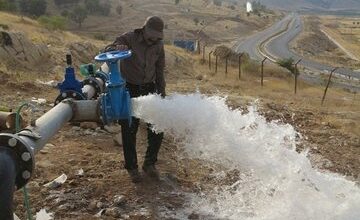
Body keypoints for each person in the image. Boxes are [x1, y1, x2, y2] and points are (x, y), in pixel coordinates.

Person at [107, 16, 166, 182]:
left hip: (149, 88)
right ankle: (132, 168)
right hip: (129, 89)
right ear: (145, 28)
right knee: (129, 129)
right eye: (152, 34)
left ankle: (149, 164)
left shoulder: (159, 45)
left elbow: (160, 70)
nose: (154, 38)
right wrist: (117, 47)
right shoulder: (129, 37)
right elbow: (107, 49)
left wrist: (161, 93)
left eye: (157, 35)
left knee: (157, 127)